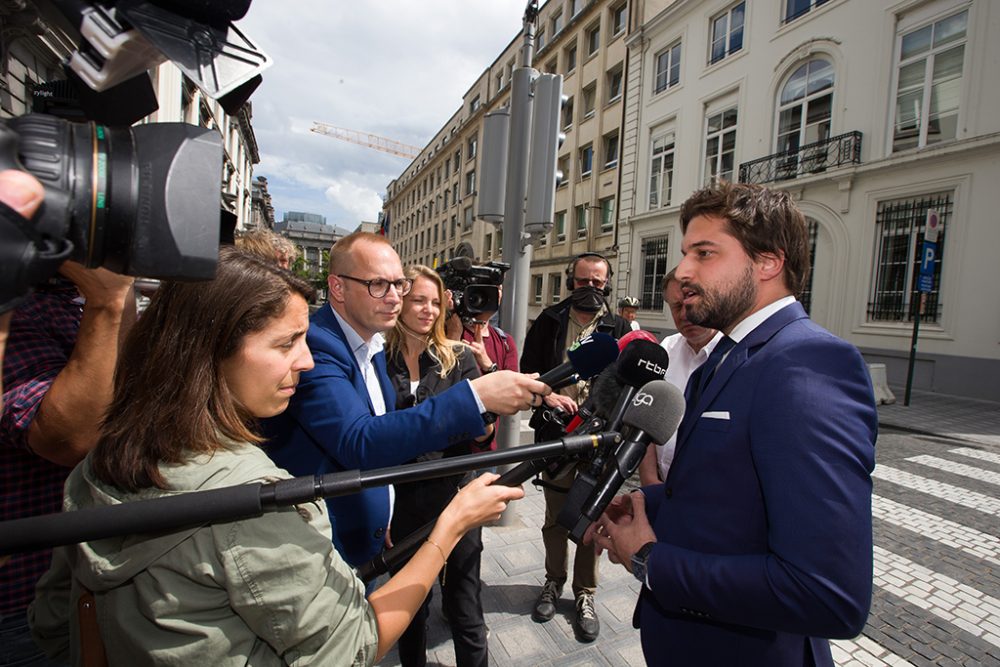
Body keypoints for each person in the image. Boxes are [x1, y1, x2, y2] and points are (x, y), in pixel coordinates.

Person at [27, 247, 524, 666]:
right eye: (286, 343)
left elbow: (54, 622)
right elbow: (351, 646)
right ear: (211, 350)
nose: (305, 360)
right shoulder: (256, 500)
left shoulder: (102, 459)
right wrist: (450, 526)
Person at [587, 182, 877, 666]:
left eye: (704, 253)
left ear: (767, 262)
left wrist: (649, 560)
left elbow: (828, 594)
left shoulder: (809, 364)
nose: (682, 272)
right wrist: (641, 502)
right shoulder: (728, 354)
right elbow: (726, 494)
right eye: (685, 254)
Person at [265, 232, 549, 568]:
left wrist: (383, 510)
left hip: (370, 532)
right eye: (377, 285)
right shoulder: (318, 344)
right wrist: (477, 396)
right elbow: (360, 441)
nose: (393, 298)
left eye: (398, 285)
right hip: (326, 546)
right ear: (338, 287)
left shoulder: (369, 344)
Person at [2, 172, 135, 664]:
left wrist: (113, 294)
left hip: (86, 578)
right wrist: (107, 302)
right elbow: (72, 440)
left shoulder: (70, 296)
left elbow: (134, 387)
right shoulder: (16, 308)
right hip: (21, 603)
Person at [520, 252, 631, 642]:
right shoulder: (548, 323)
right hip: (554, 439)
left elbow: (629, 387)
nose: (590, 289)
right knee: (555, 519)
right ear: (571, 283)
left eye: (598, 283)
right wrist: (547, 397)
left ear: (607, 284)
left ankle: (585, 593)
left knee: (589, 520)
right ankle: (553, 582)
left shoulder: (620, 329)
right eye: (583, 282)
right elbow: (527, 372)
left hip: (597, 443)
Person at [385, 265, 492, 667]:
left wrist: (483, 414)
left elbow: (482, 433)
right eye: (418, 300)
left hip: (457, 497)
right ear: (399, 302)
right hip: (404, 505)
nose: (428, 310)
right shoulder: (379, 361)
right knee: (409, 608)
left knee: (465, 606)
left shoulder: (459, 357)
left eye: (435, 301)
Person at [638, 269, 720, 486]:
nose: (685, 314)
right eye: (676, 307)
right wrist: (649, 480)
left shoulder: (737, 355)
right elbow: (645, 422)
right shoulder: (666, 350)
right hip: (662, 487)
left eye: (692, 302)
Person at [446, 283, 518, 452]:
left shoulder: (505, 341)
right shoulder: (446, 331)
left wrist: (488, 364)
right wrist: (452, 336)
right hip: (446, 450)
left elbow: (513, 395)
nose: (488, 296)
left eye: (497, 290)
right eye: (480, 291)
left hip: (484, 449)